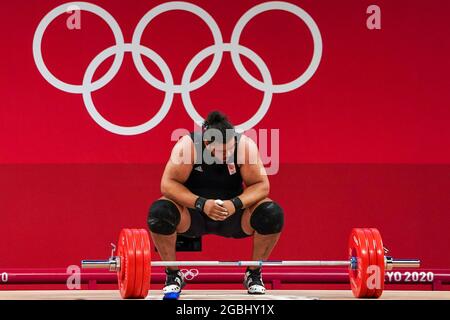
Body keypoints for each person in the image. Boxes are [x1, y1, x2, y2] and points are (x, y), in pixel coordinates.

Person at [147, 110, 284, 295]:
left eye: (230, 148)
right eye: (221, 151)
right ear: (206, 143)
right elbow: (168, 184)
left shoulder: (244, 146)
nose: (227, 153)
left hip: (233, 215)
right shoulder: (188, 146)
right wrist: (201, 203)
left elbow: (262, 186)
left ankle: (254, 273)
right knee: (160, 211)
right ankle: (173, 274)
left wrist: (235, 203)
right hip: (194, 214)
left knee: (272, 213)